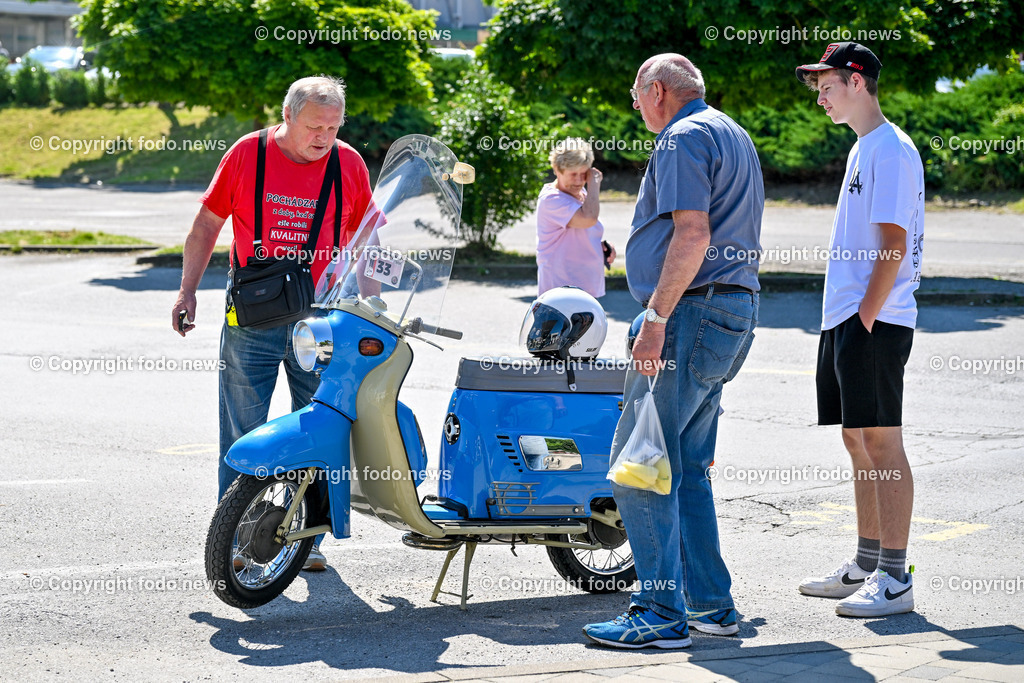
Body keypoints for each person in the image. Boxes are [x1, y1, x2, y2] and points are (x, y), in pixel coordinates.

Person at [583, 54, 762, 649]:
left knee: (639, 465)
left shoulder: (682, 137)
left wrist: (655, 319)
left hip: (688, 314)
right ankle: (710, 605)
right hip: (729, 312)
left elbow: (693, 233)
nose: (636, 107)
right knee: (682, 469)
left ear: (657, 90)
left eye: (637, 95)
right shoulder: (732, 132)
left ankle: (659, 612)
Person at [171, 76, 374, 572]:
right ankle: (239, 537)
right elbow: (207, 224)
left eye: (333, 127)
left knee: (320, 427)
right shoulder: (247, 154)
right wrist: (187, 290)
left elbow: (366, 239)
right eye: (314, 127)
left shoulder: (348, 164)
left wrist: (370, 305)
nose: (324, 137)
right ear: (287, 116)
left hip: (321, 320)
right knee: (243, 431)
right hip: (252, 317)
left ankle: (306, 538)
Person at [794, 43, 924, 617]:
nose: (820, 98)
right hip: (846, 317)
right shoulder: (863, 146)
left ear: (857, 80)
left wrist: (866, 315)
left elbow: (895, 242)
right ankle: (867, 564)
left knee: (882, 441)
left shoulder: (890, 149)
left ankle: (895, 579)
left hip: (874, 319)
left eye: (827, 87)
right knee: (857, 439)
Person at [535, 138, 614, 298]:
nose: (578, 180)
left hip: (583, 289)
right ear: (557, 170)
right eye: (573, 174)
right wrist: (594, 183)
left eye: (583, 173)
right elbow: (588, 219)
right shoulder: (552, 199)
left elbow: (579, 232)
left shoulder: (580, 194)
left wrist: (599, 247)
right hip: (560, 292)